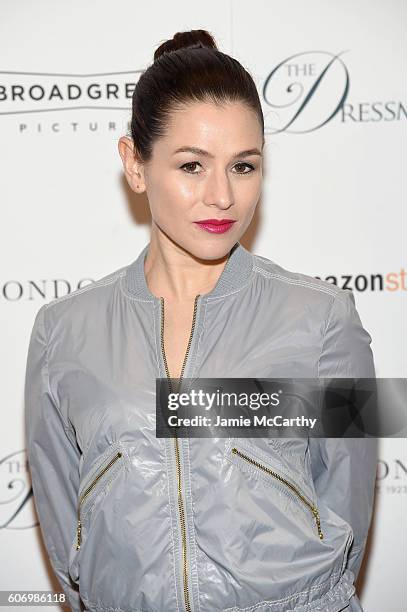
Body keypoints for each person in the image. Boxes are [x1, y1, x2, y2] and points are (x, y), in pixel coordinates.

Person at [24, 29, 377, 612]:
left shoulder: (324, 321)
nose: (222, 197)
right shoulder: (63, 331)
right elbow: (68, 535)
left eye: (244, 166)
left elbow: (347, 520)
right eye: (192, 165)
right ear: (135, 165)